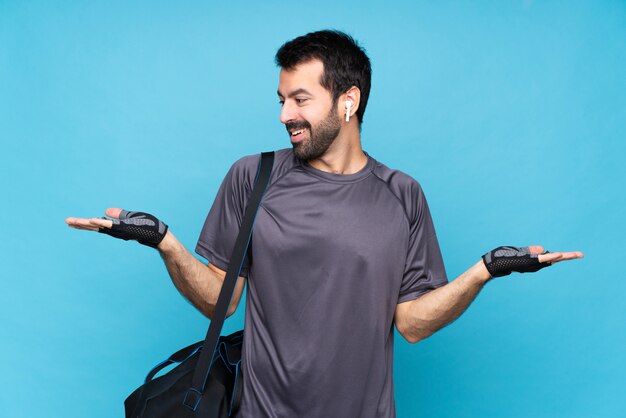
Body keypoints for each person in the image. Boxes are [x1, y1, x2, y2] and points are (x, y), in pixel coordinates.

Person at [66, 30, 583, 418]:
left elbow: (411, 325)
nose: (285, 114)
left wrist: (485, 271)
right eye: (281, 100)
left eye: (299, 99)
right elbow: (215, 301)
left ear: (348, 101)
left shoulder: (401, 194)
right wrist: (164, 242)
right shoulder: (254, 177)